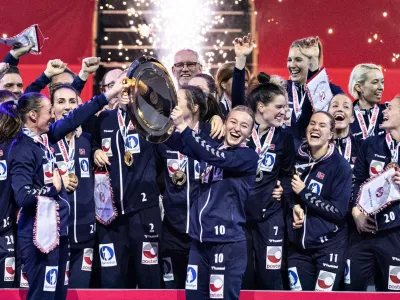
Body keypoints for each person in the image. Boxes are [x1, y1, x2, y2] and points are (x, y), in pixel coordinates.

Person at [0, 79, 125, 299]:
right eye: (49, 111)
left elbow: (76, 117)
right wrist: (52, 188)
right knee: (43, 296)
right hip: (38, 236)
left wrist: (109, 94)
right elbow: (22, 195)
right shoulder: (22, 148)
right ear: (33, 117)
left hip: (55, 232)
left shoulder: (44, 138)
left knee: (57, 295)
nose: (53, 116)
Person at [168, 104, 258, 300]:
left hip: (227, 243)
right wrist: (157, 124)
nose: (236, 128)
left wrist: (185, 128)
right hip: (199, 242)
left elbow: (217, 157)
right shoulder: (213, 148)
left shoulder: (248, 156)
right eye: (233, 122)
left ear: (250, 133)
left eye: (244, 126)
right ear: (225, 124)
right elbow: (179, 144)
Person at [92, 70, 163, 289]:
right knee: (112, 281)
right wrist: (95, 150)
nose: (120, 88)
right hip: (109, 214)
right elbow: (84, 139)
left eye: (125, 82)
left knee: (150, 279)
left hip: (143, 211)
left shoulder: (151, 119)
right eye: (113, 84)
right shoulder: (102, 119)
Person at [156, 85, 216, 289]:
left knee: (198, 290)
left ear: (195, 107)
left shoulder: (214, 134)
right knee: (171, 290)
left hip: (203, 231)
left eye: (177, 99)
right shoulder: (164, 136)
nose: (171, 102)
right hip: (173, 229)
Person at [287, 111, 352, 291]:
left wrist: (304, 193)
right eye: (312, 123)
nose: (315, 128)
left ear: (331, 135)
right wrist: (294, 205)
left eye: (322, 125)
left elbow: (339, 212)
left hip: (329, 248)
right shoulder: (296, 156)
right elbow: (286, 188)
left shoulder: (340, 166)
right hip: (298, 249)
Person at [345, 95, 400, 291]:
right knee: (351, 291)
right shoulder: (369, 144)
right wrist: (355, 213)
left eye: (390, 108)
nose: (383, 112)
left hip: (395, 235)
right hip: (363, 231)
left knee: (392, 293)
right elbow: (356, 181)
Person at [49, 84, 97, 288]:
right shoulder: (46, 142)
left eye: (72, 101)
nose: (67, 107)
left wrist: (94, 150)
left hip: (85, 234)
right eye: (61, 102)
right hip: (53, 237)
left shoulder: (86, 141)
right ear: (51, 109)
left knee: (81, 291)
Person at [286, 37, 343, 141]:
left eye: (298, 60)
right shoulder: (280, 90)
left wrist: (314, 68)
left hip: (317, 153)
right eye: (289, 60)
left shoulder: (332, 92)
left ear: (311, 62)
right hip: (286, 155)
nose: (292, 65)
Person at [348, 63, 385, 140]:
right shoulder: (346, 115)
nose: (381, 87)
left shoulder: (388, 112)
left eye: (382, 82)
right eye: (375, 82)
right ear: (358, 87)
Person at [328, 94, 362, 168]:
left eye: (346, 107)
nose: (340, 109)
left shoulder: (362, 147)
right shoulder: (318, 146)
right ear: (327, 115)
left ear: (352, 118)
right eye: (335, 106)